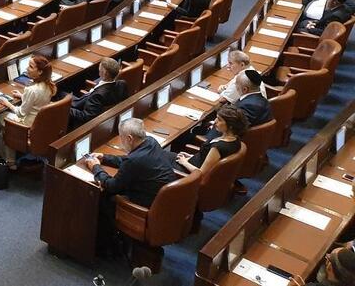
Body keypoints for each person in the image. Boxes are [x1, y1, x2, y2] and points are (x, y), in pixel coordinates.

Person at [84, 118, 178, 255]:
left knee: (102, 197)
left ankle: (105, 248)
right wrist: (105, 157)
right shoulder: (151, 142)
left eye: (121, 138)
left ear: (129, 138)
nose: (121, 142)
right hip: (161, 201)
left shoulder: (134, 160)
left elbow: (112, 185)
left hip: (146, 206)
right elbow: (129, 160)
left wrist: (96, 168)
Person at [0, 55, 57, 165]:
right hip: (38, 123)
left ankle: (8, 162)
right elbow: (37, 102)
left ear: (40, 72)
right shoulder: (49, 85)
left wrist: (7, 103)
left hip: (27, 125)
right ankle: (9, 159)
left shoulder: (31, 89)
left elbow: (21, 113)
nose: (27, 68)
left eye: (31, 67)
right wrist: (23, 96)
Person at [176, 103, 248, 175]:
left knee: (164, 156)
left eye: (219, 120)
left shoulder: (218, 147)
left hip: (186, 172)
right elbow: (209, 159)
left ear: (230, 126)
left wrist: (184, 162)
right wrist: (191, 156)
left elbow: (201, 173)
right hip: (192, 162)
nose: (215, 121)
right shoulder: (235, 139)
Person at [69, 58, 126, 128]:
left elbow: (86, 116)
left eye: (100, 67)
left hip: (79, 110)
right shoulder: (122, 84)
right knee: (63, 93)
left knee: (60, 93)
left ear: (105, 73)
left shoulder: (98, 96)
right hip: (85, 100)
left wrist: (67, 110)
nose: (99, 68)